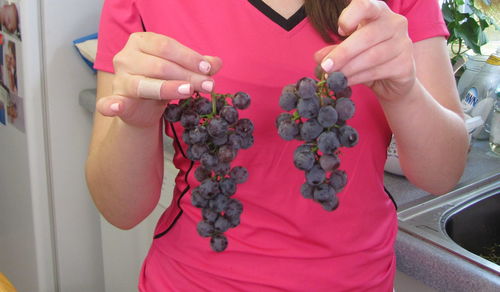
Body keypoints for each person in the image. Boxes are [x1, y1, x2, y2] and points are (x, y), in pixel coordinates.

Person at [86, 0, 469, 290]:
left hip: (356, 281)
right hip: (193, 278)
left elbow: (442, 173)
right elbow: (120, 210)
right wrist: (134, 124)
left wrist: (404, 92)